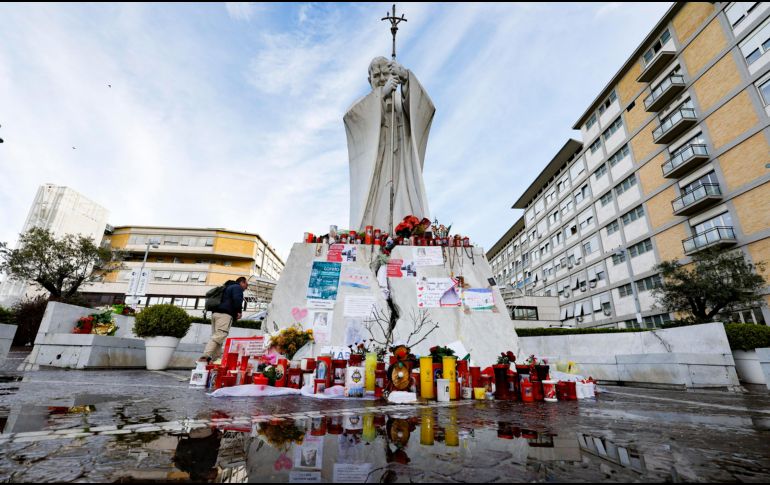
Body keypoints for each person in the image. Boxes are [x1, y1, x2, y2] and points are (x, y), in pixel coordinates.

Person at [344, 56, 435, 233]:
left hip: (401, 164)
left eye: (385, 74)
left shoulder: (401, 103)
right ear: (369, 80)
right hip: (377, 166)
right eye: (376, 75)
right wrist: (381, 95)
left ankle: (405, 228)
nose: (381, 79)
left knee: (403, 197)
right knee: (376, 201)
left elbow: (424, 109)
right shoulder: (363, 105)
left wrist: (406, 78)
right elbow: (351, 118)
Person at [200, 276, 247, 362]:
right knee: (219, 336)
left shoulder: (226, 287)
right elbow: (237, 300)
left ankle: (216, 360)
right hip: (224, 315)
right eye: (246, 285)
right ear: (242, 282)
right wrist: (239, 311)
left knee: (218, 338)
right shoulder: (237, 287)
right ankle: (205, 356)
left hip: (215, 314)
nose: (246, 287)